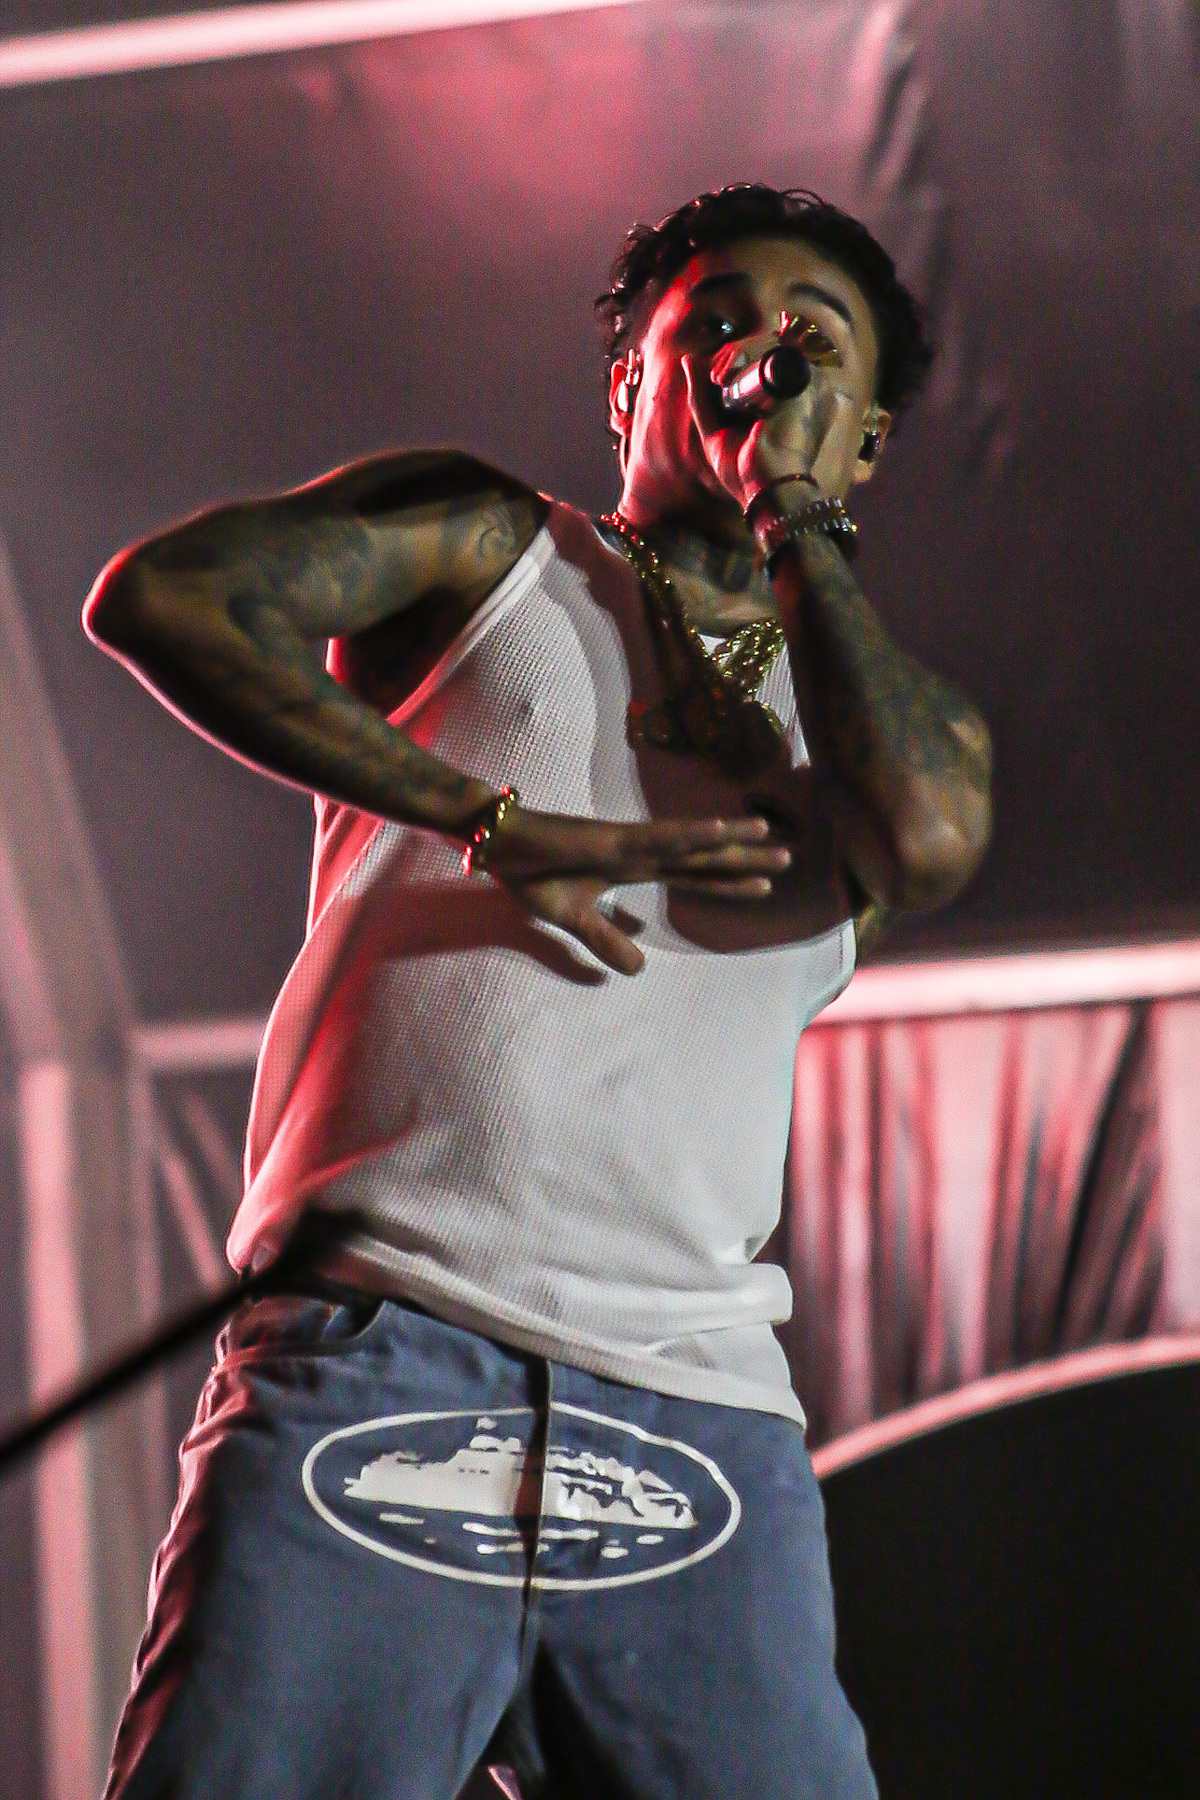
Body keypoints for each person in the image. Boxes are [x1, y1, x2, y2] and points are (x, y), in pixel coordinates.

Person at [85, 184, 991, 1800]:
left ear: (863, 441)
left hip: (695, 1414)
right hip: (385, 1347)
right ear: (631, 386)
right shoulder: (490, 542)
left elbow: (924, 837)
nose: (760, 351)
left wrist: (791, 517)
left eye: (812, 340)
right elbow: (163, 597)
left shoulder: (876, 726)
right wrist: (486, 819)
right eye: (716, 320)